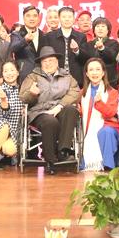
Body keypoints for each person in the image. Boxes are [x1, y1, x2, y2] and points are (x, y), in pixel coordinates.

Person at [19, 46, 82, 174]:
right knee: (50, 122)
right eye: (45, 61)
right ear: (41, 64)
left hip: (60, 109)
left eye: (51, 60)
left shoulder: (67, 76)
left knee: (71, 110)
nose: (48, 64)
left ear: (57, 62)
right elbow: (23, 97)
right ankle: (51, 160)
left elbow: (75, 92)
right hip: (40, 111)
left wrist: (59, 107)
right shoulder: (33, 77)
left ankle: (63, 151)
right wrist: (32, 93)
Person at [78, 58, 119, 171]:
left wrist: (99, 103)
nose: (94, 73)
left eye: (97, 69)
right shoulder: (82, 93)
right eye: (91, 70)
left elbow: (110, 113)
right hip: (87, 129)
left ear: (103, 73)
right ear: (86, 73)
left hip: (109, 127)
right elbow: (82, 114)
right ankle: (88, 163)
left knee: (105, 131)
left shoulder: (112, 92)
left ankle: (108, 166)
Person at [0, 61, 25, 168]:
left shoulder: (23, 91)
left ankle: (3, 155)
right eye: (6, 71)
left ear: (17, 72)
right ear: (2, 74)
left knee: (9, 149)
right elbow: (4, 112)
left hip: (15, 131)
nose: (9, 73)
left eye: (12, 70)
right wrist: (3, 99)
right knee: (5, 125)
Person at [45, 6, 88, 87]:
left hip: (76, 79)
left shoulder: (81, 36)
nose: (67, 19)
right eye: (64, 17)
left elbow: (85, 59)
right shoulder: (50, 36)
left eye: (69, 17)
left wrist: (77, 50)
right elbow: (46, 58)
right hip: (55, 79)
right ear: (59, 19)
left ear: (74, 19)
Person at [12, 5, 47, 81]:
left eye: (35, 16)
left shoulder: (44, 35)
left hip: (42, 74)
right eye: (28, 16)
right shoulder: (17, 34)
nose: (32, 18)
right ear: (23, 18)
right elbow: (13, 48)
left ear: (38, 19)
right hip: (24, 74)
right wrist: (25, 40)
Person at [80, 17, 119, 86]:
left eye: (103, 26)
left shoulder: (113, 43)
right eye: (97, 26)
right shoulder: (87, 45)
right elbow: (82, 59)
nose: (100, 28)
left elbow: (111, 57)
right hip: (90, 81)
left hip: (109, 81)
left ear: (108, 30)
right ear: (94, 30)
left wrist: (102, 48)